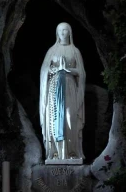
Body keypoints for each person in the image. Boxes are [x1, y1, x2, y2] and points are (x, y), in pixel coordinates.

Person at [39, 22, 86, 163]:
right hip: (54, 89)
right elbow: (43, 70)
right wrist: (51, 71)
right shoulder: (52, 51)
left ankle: (71, 152)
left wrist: (69, 70)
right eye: (60, 30)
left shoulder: (75, 51)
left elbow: (81, 72)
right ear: (57, 33)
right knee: (54, 119)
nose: (63, 33)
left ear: (70, 32)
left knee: (69, 118)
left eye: (65, 30)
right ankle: (56, 153)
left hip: (69, 88)